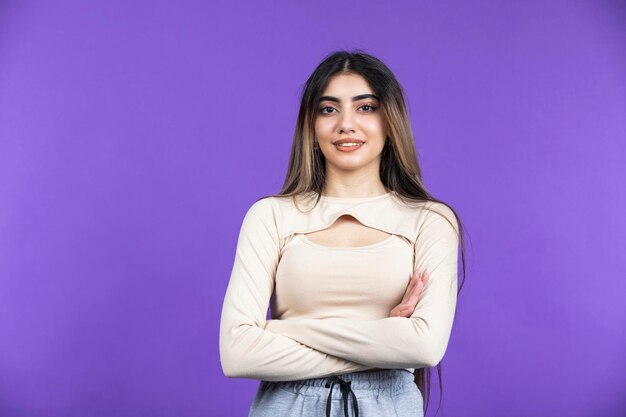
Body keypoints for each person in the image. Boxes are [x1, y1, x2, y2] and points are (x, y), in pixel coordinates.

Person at [219, 49, 467, 417]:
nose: (346, 124)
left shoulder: (430, 221)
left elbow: (425, 347)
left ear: (391, 119)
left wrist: (282, 331)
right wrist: (384, 342)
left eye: (366, 107)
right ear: (311, 123)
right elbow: (237, 353)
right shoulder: (271, 216)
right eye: (329, 109)